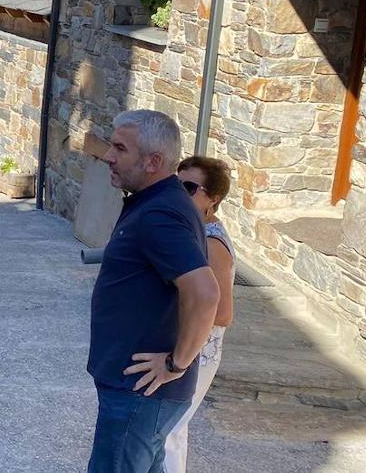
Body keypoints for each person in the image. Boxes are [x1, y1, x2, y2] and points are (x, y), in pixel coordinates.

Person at [88, 110, 220, 473]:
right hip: (136, 390)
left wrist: (176, 363)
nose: (108, 156)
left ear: (153, 161)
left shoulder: (160, 213)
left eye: (119, 148)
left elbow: (206, 294)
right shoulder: (159, 202)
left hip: (140, 392)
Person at [164, 156, 236, 473]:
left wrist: (181, 352)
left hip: (198, 348)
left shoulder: (210, 242)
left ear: (213, 199)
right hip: (188, 342)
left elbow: (221, 313)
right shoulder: (193, 230)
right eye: (176, 185)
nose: (180, 193)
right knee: (166, 427)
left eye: (190, 187)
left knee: (169, 428)